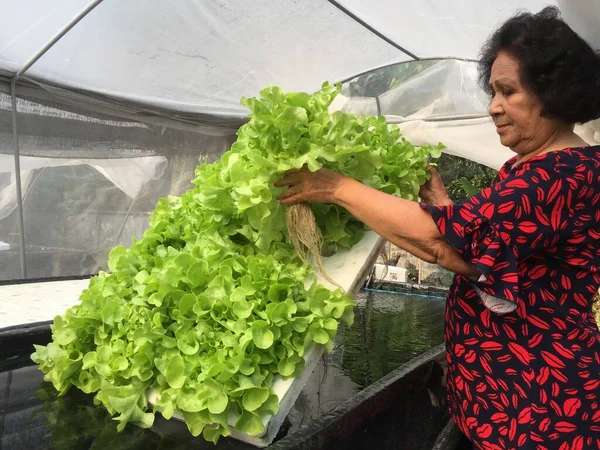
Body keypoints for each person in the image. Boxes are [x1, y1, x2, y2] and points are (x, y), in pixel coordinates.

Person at [275, 7, 600, 450]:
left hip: (539, 409)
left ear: (555, 94)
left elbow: (438, 244)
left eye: (507, 92)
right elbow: (486, 245)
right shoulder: (534, 167)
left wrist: (335, 187)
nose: (493, 107)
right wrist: (444, 204)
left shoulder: (560, 174)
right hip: (506, 400)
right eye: (492, 92)